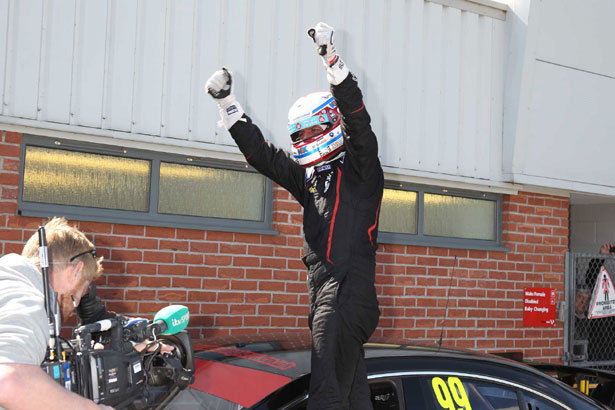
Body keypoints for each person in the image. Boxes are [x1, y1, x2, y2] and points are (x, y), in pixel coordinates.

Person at [206, 22, 383, 409]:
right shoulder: (312, 181)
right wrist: (227, 105)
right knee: (351, 394)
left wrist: (332, 61)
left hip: (346, 293)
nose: (302, 142)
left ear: (330, 124)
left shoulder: (361, 172)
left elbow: (359, 123)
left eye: (309, 132)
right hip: (326, 295)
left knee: (325, 397)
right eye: (297, 136)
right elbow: (264, 157)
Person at [0, 217, 113, 410]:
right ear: (75, 272)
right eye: (79, 293)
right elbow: (9, 381)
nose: (74, 307)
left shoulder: (9, 287)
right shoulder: (28, 301)